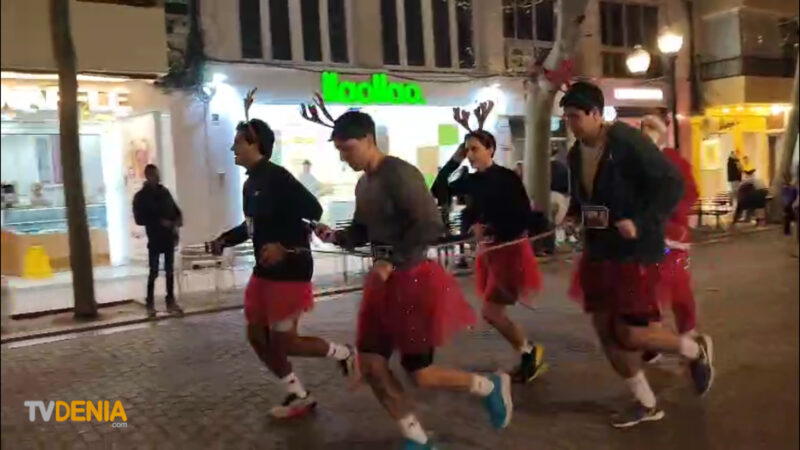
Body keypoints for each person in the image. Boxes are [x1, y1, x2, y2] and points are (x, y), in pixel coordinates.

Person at [313, 111, 512, 450]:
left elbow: (429, 224)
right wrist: (337, 236)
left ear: (368, 140)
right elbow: (363, 230)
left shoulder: (399, 174)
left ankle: (490, 386)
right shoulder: (364, 184)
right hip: (384, 285)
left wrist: (391, 260)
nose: (344, 158)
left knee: (420, 373)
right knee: (372, 365)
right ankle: (417, 439)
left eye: (347, 149)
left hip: (413, 282)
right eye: (339, 151)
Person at [562, 82, 713, 428]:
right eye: (566, 117)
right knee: (604, 330)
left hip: (634, 254)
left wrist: (641, 222)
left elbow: (672, 184)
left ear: (596, 114)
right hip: (599, 252)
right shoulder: (574, 153)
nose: (570, 124)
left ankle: (694, 350)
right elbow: (583, 196)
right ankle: (645, 402)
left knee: (630, 334)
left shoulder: (627, 143)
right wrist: (573, 213)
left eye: (575, 116)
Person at [207, 118, 356, 420]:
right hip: (264, 273)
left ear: (255, 145)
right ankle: (299, 395)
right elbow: (252, 226)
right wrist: (225, 239)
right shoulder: (250, 184)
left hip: (291, 270)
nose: (233, 148)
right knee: (257, 337)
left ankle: (344, 353)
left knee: (284, 343)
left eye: (238, 143)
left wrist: (283, 246)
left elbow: (312, 210)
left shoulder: (278, 177)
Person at [434, 132, 546, 384]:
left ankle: (530, 351)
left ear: (490, 150)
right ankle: (528, 352)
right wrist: (454, 160)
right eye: (467, 150)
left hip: (509, 252)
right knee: (492, 312)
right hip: (490, 253)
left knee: (491, 311)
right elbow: (438, 190)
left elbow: (522, 217)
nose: (470, 155)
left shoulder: (507, 178)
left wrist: (489, 228)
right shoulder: (471, 180)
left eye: (475, 149)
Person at [640, 115, 701, 362]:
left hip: (670, 234)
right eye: (644, 129)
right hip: (647, 234)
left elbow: (690, 195)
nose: (647, 133)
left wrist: (672, 219)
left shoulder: (674, 161)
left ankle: (688, 334)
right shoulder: (639, 162)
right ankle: (654, 336)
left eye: (652, 128)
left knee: (675, 285)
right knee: (646, 285)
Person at [133, 164, 184, 317]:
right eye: (154, 175)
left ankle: (170, 301)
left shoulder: (164, 192)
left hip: (168, 237)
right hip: (155, 238)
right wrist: (159, 221)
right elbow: (139, 219)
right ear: (148, 176)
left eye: (157, 174)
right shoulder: (141, 197)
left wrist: (176, 221)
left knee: (169, 271)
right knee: (153, 271)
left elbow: (175, 210)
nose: (157, 177)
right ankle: (150, 303)